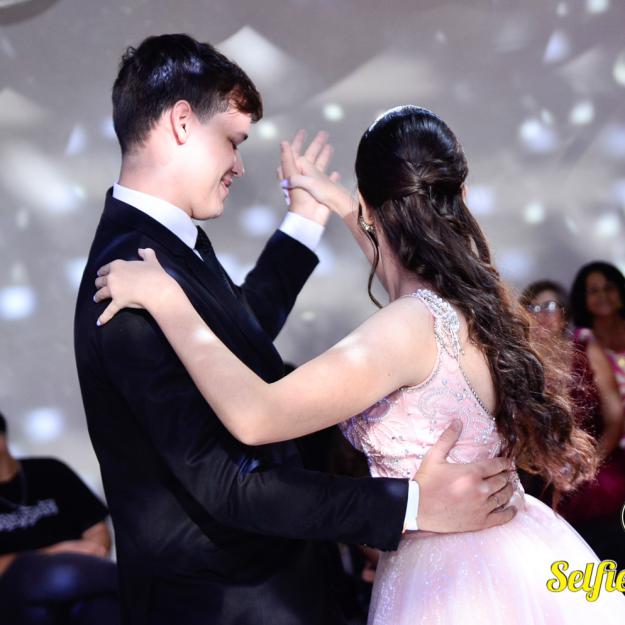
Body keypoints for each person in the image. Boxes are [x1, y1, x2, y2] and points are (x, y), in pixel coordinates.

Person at [94, 105, 625, 623]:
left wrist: (169, 301)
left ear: (372, 210)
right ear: (460, 196)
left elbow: (257, 416)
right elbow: (399, 261)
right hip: (517, 550)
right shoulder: (471, 303)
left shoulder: (406, 328)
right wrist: (336, 202)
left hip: (451, 576)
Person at [74, 36, 513, 625]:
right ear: (181, 123)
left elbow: (233, 340)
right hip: (223, 602)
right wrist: (410, 504)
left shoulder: (164, 255)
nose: (238, 165)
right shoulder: (128, 279)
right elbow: (227, 482)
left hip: (281, 583)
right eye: (233, 141)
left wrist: (304, 223)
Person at [522, 280, 625, 567]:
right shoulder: (521, 362)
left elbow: (615, 418)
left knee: (600, 497)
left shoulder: (586, 349)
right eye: (533, 308)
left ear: (564, 313)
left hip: (596, 458)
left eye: (550, 306)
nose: (542, 315)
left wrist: (588, 463)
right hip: (541, 468)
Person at [0, 411, 120, 625]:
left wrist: (94, 551)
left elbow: (96, 529)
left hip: (83, 582)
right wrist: (56, 553)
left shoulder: (50, 471)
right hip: (15, 590)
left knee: (101, 607)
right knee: (61, 576)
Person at [570, 262, 625, 407]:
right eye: (594, 291)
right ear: (583, 299)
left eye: (609, 288)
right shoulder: (582, 341)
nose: (603, 295)